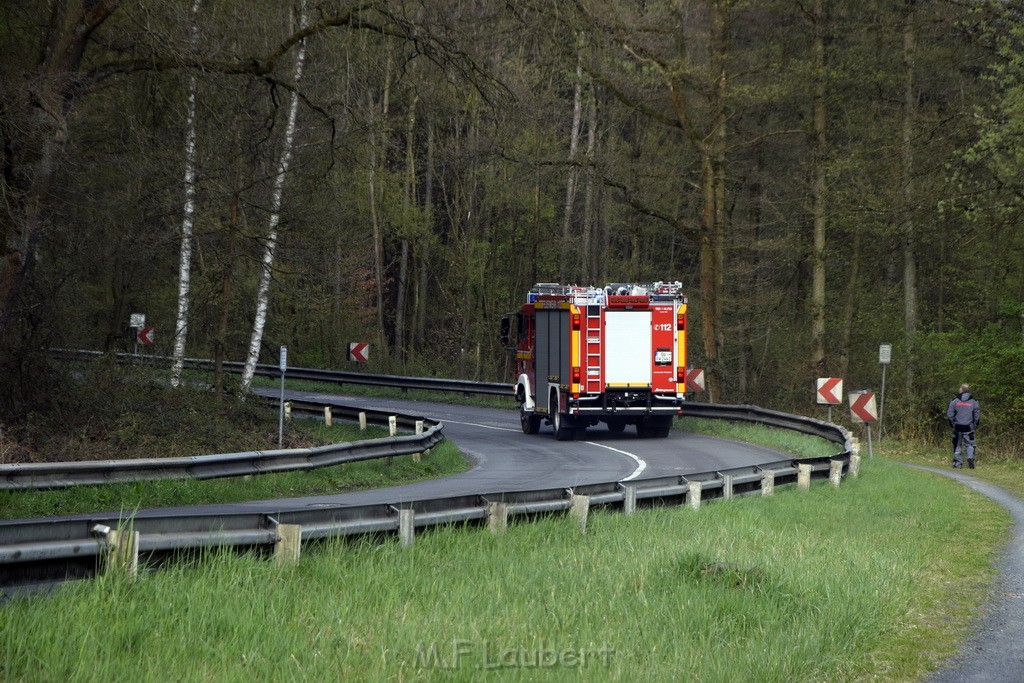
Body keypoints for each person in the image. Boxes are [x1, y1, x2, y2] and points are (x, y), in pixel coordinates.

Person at [946, 384, 980, 469]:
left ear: (961, 390)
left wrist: (953, 425)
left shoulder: (955, 400)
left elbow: (950, 415)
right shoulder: (974, 401)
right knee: (970, 444)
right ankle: (970, 457)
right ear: (967, 390)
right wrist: (975, 425)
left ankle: (958, 463)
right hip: (969, 427)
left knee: (957, 444)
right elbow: (977, 416)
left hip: (957, 426)